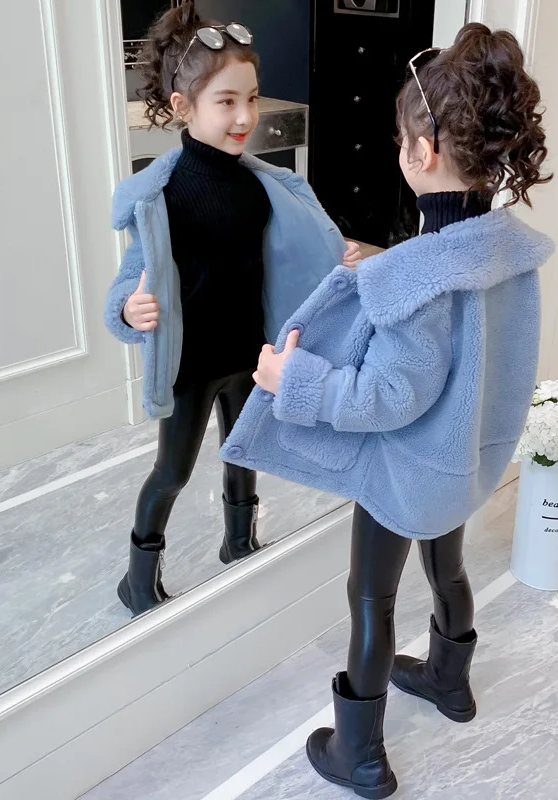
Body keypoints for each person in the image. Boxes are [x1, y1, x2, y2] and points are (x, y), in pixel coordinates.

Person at [221, 23, 553, 798]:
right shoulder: (510, 252)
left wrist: (291, 379)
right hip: (465, 461)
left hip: (405, 475)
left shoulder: (413, 278)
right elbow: (471, 340)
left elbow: (386, 395)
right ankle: (449, 680)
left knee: (371, 600)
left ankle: (360, 754)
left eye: (401, 139)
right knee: (449, 569)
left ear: (421, 151)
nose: (400, 149)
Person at [104, 1, 361, 616]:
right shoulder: (162, 197)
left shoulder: (262, 184)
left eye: (251, 98)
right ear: (182, 106)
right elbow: (131, 278)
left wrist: (334, 256)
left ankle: (239, 543)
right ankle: (138, 575)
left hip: (250, 353)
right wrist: (129, 310)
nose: (245, 116)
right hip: (192, 365)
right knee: (172, 472)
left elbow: (293, 253)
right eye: (226, 102)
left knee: (247, 451)